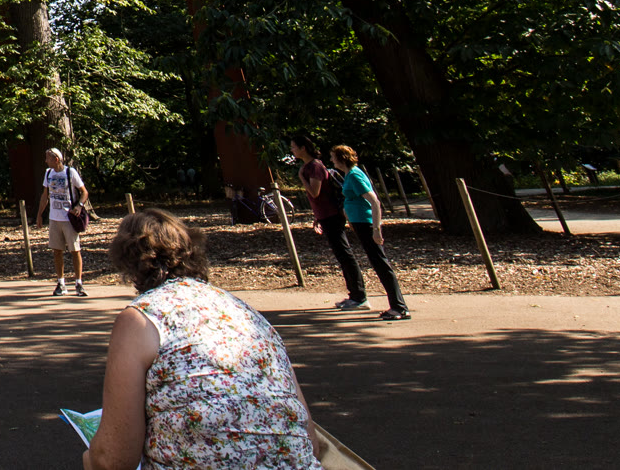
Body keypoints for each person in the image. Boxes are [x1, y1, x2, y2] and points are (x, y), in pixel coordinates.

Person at [83, 210, 320, 470]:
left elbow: (115, 460)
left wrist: (91, 459)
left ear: (127, 263)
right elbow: (311, 443)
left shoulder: (141, 319)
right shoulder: (248, 313)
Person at [330, 144, 411, 320]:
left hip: (367, 224)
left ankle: (399, 307)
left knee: (381, 264)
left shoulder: (355, 175)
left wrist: (376, 229)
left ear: (341, 158)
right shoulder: (349, 175)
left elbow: (374, 202)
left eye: (333, 156)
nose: (331, 160)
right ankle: (397, 306)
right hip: (359, 224)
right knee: (378, 264)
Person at [291, 134, 365, 311]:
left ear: (303, 148)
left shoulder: (315, 166)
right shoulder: (308, 166)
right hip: (324, 215)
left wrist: (302, 177)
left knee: (344, 253)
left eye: (293, 147)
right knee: (341, 255)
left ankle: (359, 296)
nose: (291, 150)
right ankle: (353, 294)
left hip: (332, 215)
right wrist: (317, 216)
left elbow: (315, 192)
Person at [37, 147, 89, 297]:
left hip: (69, 218)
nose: (46, 161)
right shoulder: (48, 173)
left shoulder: (70, 172)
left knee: (75, 250)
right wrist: (40, 214)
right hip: (54, 218)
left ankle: (78, 283)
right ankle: (61, 283)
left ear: (56, 159)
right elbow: (45, 195)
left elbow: (84, 192)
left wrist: (79, 206)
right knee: (57, 250)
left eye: (48, 158)